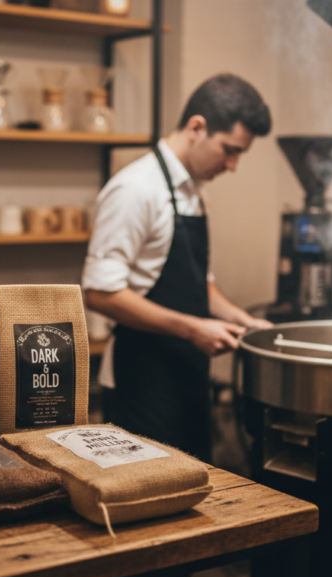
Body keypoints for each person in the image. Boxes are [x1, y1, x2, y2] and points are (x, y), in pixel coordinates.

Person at [82, 73, 274, 462]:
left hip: (187, 377)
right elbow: (99, 293)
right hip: (144, 381)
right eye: (230, 150)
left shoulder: (192, 191)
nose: (233, 165)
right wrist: (193, 328)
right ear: (197, 127)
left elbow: (197, 282)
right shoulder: (136, 190)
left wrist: (243, 320)